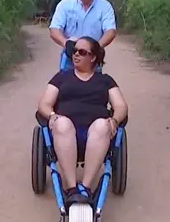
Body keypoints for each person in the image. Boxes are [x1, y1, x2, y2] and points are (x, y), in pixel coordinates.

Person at [37, 36, 128, 207]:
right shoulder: (61, 77)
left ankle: (85, 187)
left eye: (82, 52)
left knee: (103, 125)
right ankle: (71, 188)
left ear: (93, 57)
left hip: (96, 131)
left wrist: (114, 120)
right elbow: (44, 103)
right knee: (62, 124)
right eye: (74, 51)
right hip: (64, 128)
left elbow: (121, 106)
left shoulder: (105, 80)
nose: (76, 55)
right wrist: (51, 115)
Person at [49, 0, 117, 70]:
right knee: (65, 85)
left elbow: (110, 31)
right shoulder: (65, 5)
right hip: (70, 56)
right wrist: (66, 43)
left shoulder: (105, 7)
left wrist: (97, 46)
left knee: (94, 85)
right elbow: (54, 29)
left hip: (93, 58)